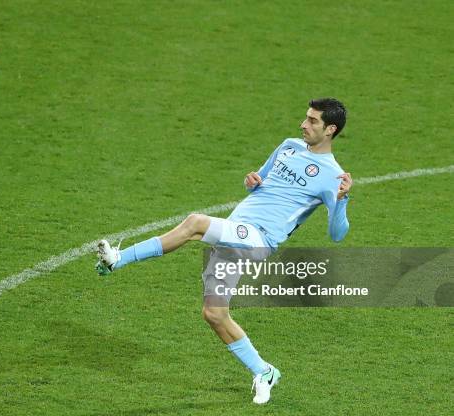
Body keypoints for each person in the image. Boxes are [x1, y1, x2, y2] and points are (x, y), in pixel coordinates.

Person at [95, 98, 353, 404]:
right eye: (305, 118)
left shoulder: (333, 176)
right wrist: (252, 181)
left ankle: (119, 259)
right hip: (236, 230)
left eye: (312, 121)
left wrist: (343, 200)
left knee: (195, 223)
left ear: (330, 129)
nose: (303, 124)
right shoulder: (288, 146)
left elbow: (337, 234)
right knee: (214, 314)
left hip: (259, 239)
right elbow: (259, 182)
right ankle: (264, 370)